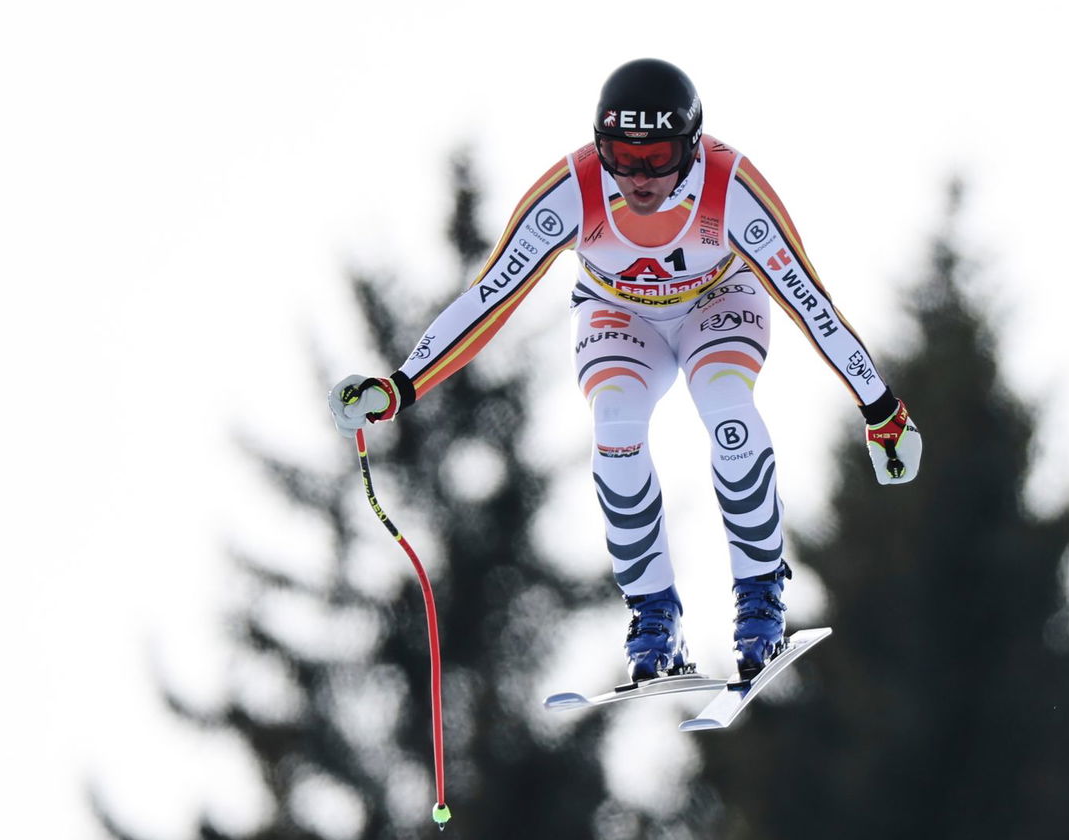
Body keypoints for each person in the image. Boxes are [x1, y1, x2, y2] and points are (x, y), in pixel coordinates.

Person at [329, 58, 921, 683]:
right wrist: (401, 386)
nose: (639, 177)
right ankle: (654, 613)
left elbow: (809, 302)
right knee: (614, 428)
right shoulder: (572, 190)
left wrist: (881, 410)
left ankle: (759, 597)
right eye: (621, 154)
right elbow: (490, 295)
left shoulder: (731, 190)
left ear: (691, 147)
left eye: (658, 156)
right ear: (598, 145)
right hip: (618, 315)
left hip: (718, 303)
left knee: (727, 410)